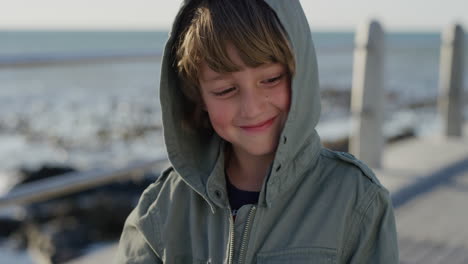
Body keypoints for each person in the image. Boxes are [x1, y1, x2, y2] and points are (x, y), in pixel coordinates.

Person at [116, 0, 399, 263]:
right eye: (225, 90)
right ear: (199, 96)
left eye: (271, 79)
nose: (251, 108)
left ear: (301, 73)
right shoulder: (159, 210)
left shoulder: (357, 201)